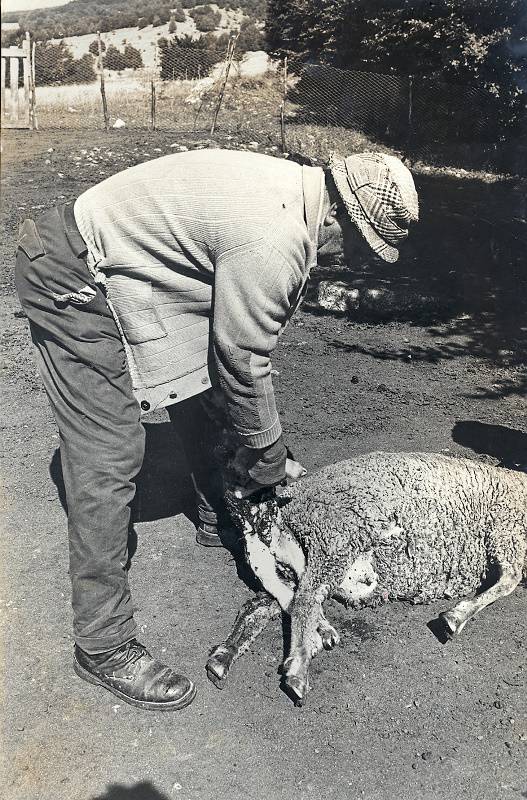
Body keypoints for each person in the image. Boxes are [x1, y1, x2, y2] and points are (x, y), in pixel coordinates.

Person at [15, 148, 418, 711]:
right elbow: (244, 359)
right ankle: (102, 643)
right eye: (353, 247)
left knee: (203, 387)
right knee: (109, 450)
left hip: (120, 258)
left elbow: (226, 362)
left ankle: (217, 508)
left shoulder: (293, 192)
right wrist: (269, 456)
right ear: (337, 216)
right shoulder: (272, 239)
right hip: (67, 270)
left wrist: (258, 448)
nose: (343, 260)